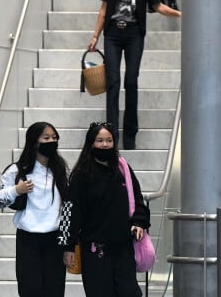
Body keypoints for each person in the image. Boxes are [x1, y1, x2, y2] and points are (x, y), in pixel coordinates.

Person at [58, 122, 151, 297]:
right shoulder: (81, 174)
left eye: (109, 140)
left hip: (123, 248)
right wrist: (68, 246)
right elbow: (70, 211)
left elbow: (137, 198)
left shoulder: (122, 168)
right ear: (91, 143)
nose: (105, 144)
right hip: (95, 251)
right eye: (100, 140)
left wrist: (139, 221)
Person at [88, 0, 181, 149]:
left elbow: (158, 6)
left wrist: (181, 14)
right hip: (112, 33)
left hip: (134, 34)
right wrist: (95, 36)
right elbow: (104, 9)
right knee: (113, 83)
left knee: (131, 82)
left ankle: (130, 136)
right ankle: (112, 135)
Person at [0, 121, 69, 297]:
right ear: (35, 141)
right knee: (30, 289)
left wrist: (68, 245)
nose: (51, 141)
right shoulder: (18, 170)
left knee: (55, 290)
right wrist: (16, 190)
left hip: (55, 240)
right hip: (28, 240)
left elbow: (67, 207)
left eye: (54, 138)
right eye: (46, 138)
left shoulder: (59, 169)